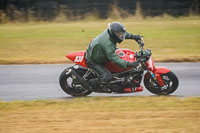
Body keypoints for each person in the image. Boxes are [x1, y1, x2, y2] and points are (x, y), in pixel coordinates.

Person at [85, 22, 142, 89]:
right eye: (119, 34)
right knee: (108, 76)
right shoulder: (108, 43)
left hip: (101, 53)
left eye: (121, 34)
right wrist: (129, 64)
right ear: (114, 33)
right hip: (93, 60)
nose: (121, 36)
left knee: (121, 55)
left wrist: (134, 36)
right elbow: (114, 58)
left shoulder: (112, 34)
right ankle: (90, 83)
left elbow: (123, 34)